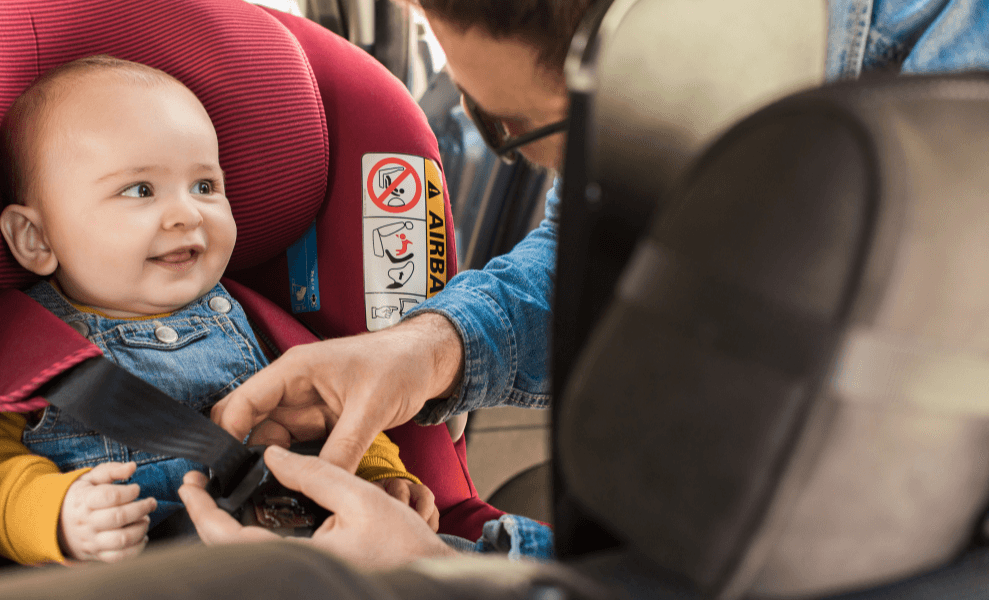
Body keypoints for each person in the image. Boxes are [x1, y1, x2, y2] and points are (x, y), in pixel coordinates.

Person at [186, 0, 989, 567]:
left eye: (517, 129)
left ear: (656, 38)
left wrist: (448, 583)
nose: (517, 154)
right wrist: (429, 349)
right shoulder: (665, 80)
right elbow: (605, 236)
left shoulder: (955, 138)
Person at [0, 55, 437, 566]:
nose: (186, 214)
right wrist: (59, 515)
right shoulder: (19, 351)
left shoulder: (256, 322)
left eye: (205, 186)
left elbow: (333, 408)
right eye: (139, 190)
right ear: (36, 238)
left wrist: (380, 475)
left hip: (311, 552)